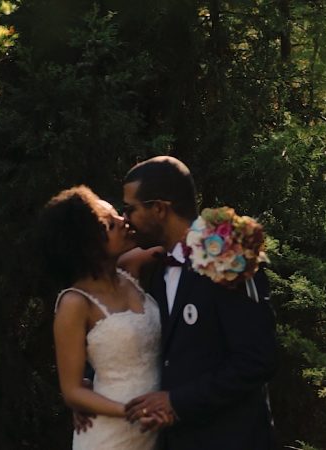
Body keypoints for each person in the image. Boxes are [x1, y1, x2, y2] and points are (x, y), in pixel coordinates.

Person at [120, 156, 278, 450]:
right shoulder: (155, 268)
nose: (125, 220)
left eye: (130, 209)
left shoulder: (229, 256)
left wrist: (177, 402)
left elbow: (257, 360)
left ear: (159, 208)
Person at [38, 186, 169, 450]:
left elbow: (182, 247)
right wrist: (131, 412)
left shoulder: (131, 267)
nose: (124, 221)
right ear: (88, 244)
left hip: (159, 426)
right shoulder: (75, 303)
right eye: (110, 224)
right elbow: (72, 391)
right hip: (111, 433)